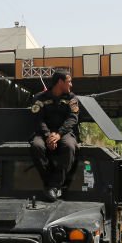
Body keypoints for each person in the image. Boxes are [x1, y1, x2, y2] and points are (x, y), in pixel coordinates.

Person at [30, 71, 79, 201]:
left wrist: (59, 134)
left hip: (64, 133)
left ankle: (55, 185)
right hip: (43, 133)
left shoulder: (72, 98)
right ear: (60, 82)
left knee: (69, 146)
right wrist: (48, 136)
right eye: (69, 81)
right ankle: (49, 183)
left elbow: (72, 119)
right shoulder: (39, 97)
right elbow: (37, 119)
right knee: (37, 146)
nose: (71, 84)